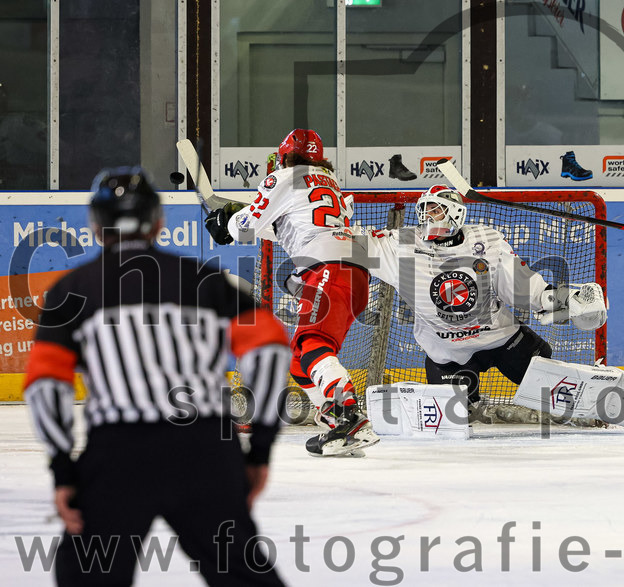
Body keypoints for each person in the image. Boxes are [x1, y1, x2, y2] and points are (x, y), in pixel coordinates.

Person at [24, 167, 290, 585]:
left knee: (88, 576)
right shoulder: (206, 280)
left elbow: (44, 383)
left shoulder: (72, 289)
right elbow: (270, 349)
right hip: (204, 450)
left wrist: (62, 467)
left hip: (117, 455)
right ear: (159, 223)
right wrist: (259, 449)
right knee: (243, 575)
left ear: (96, 226)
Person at [365, 184, 608, 419]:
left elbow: (519, 284)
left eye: (435, 209)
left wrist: (556, 299)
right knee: (455, 416)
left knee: (546, 374)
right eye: (424, 210)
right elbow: (354, 246)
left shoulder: (485, 240)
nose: (427, 216)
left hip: (501, 338)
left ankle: (590, 403)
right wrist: (331, 220)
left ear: (455, 213)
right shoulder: (403, 244)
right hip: (447, 353)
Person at [206, 128, 379, 457]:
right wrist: (232, 217)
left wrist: (227, 222)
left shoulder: (284, 176)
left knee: (313, 344)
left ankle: (350, 417)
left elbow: (246, 227)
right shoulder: (329, 182)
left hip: (328, 269)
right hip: (353, 272)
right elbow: (284, 225)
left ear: (285, 156)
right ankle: (335, 425)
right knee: (301, 361)